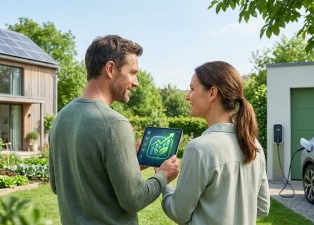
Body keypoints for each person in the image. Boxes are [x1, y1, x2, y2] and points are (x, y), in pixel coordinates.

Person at [49, 35, 179, 225]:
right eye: (132, 72)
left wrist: (129, 164)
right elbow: (134, 199)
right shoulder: (114, 124)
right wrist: (163, 175)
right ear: (110, 69)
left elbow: (57, 185)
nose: (136, 82)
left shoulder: (61, 118)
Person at [161, 61, 270, 225]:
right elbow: (262, 207)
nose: (187, 96)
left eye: (192, 89)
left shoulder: (199, 149)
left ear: (212, 93)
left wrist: (165, 182)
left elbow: (178, 212)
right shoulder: (254, 145)